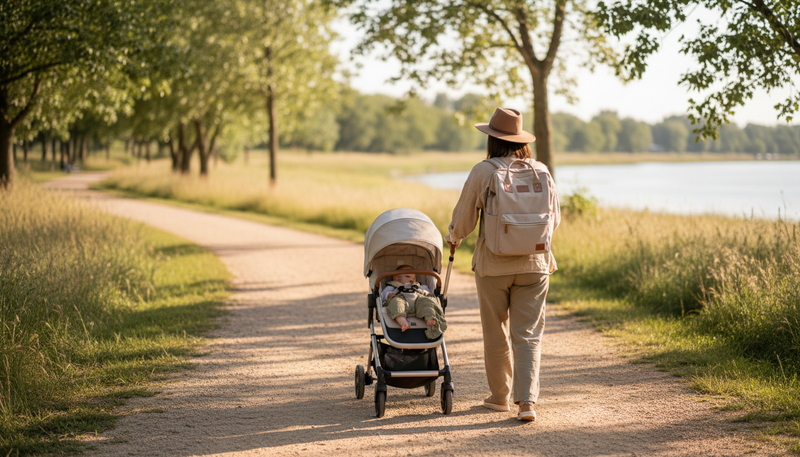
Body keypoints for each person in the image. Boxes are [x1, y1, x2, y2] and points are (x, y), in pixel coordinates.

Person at [445, 107, 560, 422]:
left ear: (492, 140)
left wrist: (454, 236)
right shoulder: (542, 170)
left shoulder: (484, 171)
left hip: (494, 265)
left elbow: (465, 217)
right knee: (528, 334)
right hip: (536, 264)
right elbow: (555, 219)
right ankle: (527, 404)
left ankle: (499, 398)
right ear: (521, 140)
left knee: (495, 332)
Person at [380, 265, 447, 339]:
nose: (412, 279)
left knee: (427, 302)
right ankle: (403, 322)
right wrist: (389, 296)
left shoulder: (421, 286)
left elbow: (431, 296)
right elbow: (383, 297)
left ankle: (430, 317)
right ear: (396, 278)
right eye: (408, 276)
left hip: (418, 303)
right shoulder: (391, 287)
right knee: (395, 303)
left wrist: (427, 293)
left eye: (414, 278)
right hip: (401, 300)